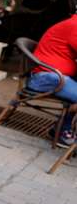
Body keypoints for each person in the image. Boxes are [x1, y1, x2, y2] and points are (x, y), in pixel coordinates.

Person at [28, 14, 77, 147]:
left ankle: (60, 129)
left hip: (53, 76)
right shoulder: (74, 26)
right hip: (46, 78)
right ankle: (62, 130)